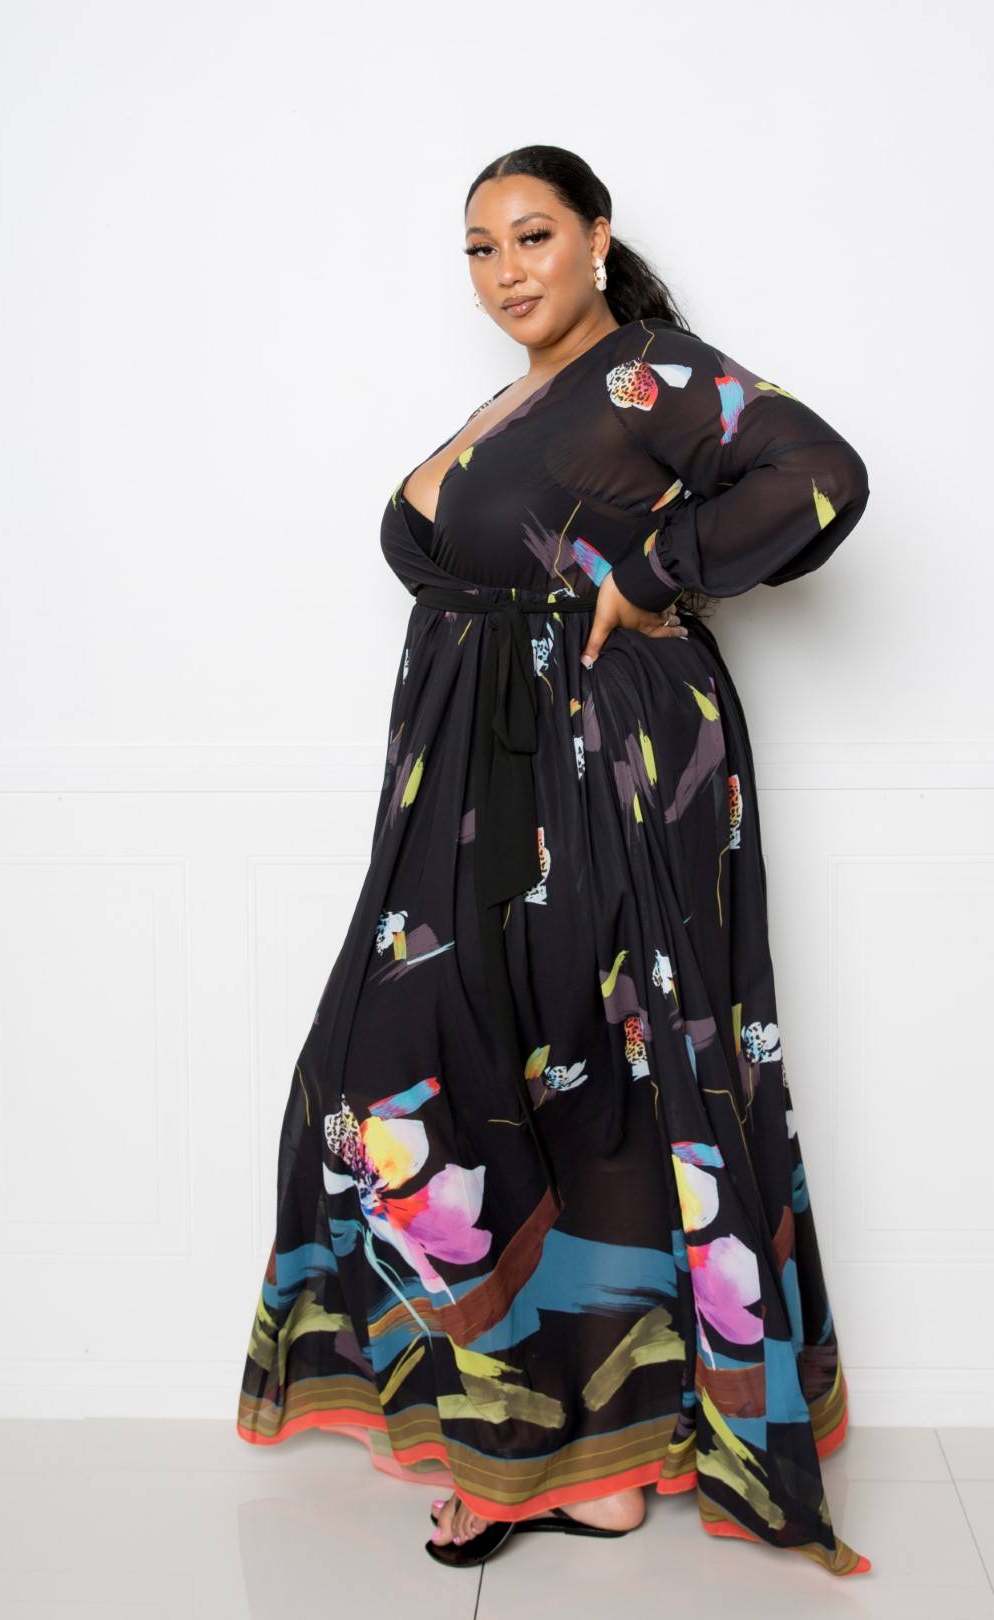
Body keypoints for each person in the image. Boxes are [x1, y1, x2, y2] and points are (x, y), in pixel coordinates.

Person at [236, 143, 873, 1580]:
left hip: (603, 766)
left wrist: (653, 575)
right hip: (472, 785)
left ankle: (586, 1460)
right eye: (480, 248)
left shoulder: (646, 372)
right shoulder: (518, 399)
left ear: (596, 236)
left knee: (596, 1068)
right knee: (418, 1066)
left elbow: (823, 475)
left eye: (533, 235)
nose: (507, 269)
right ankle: (551, 1441)